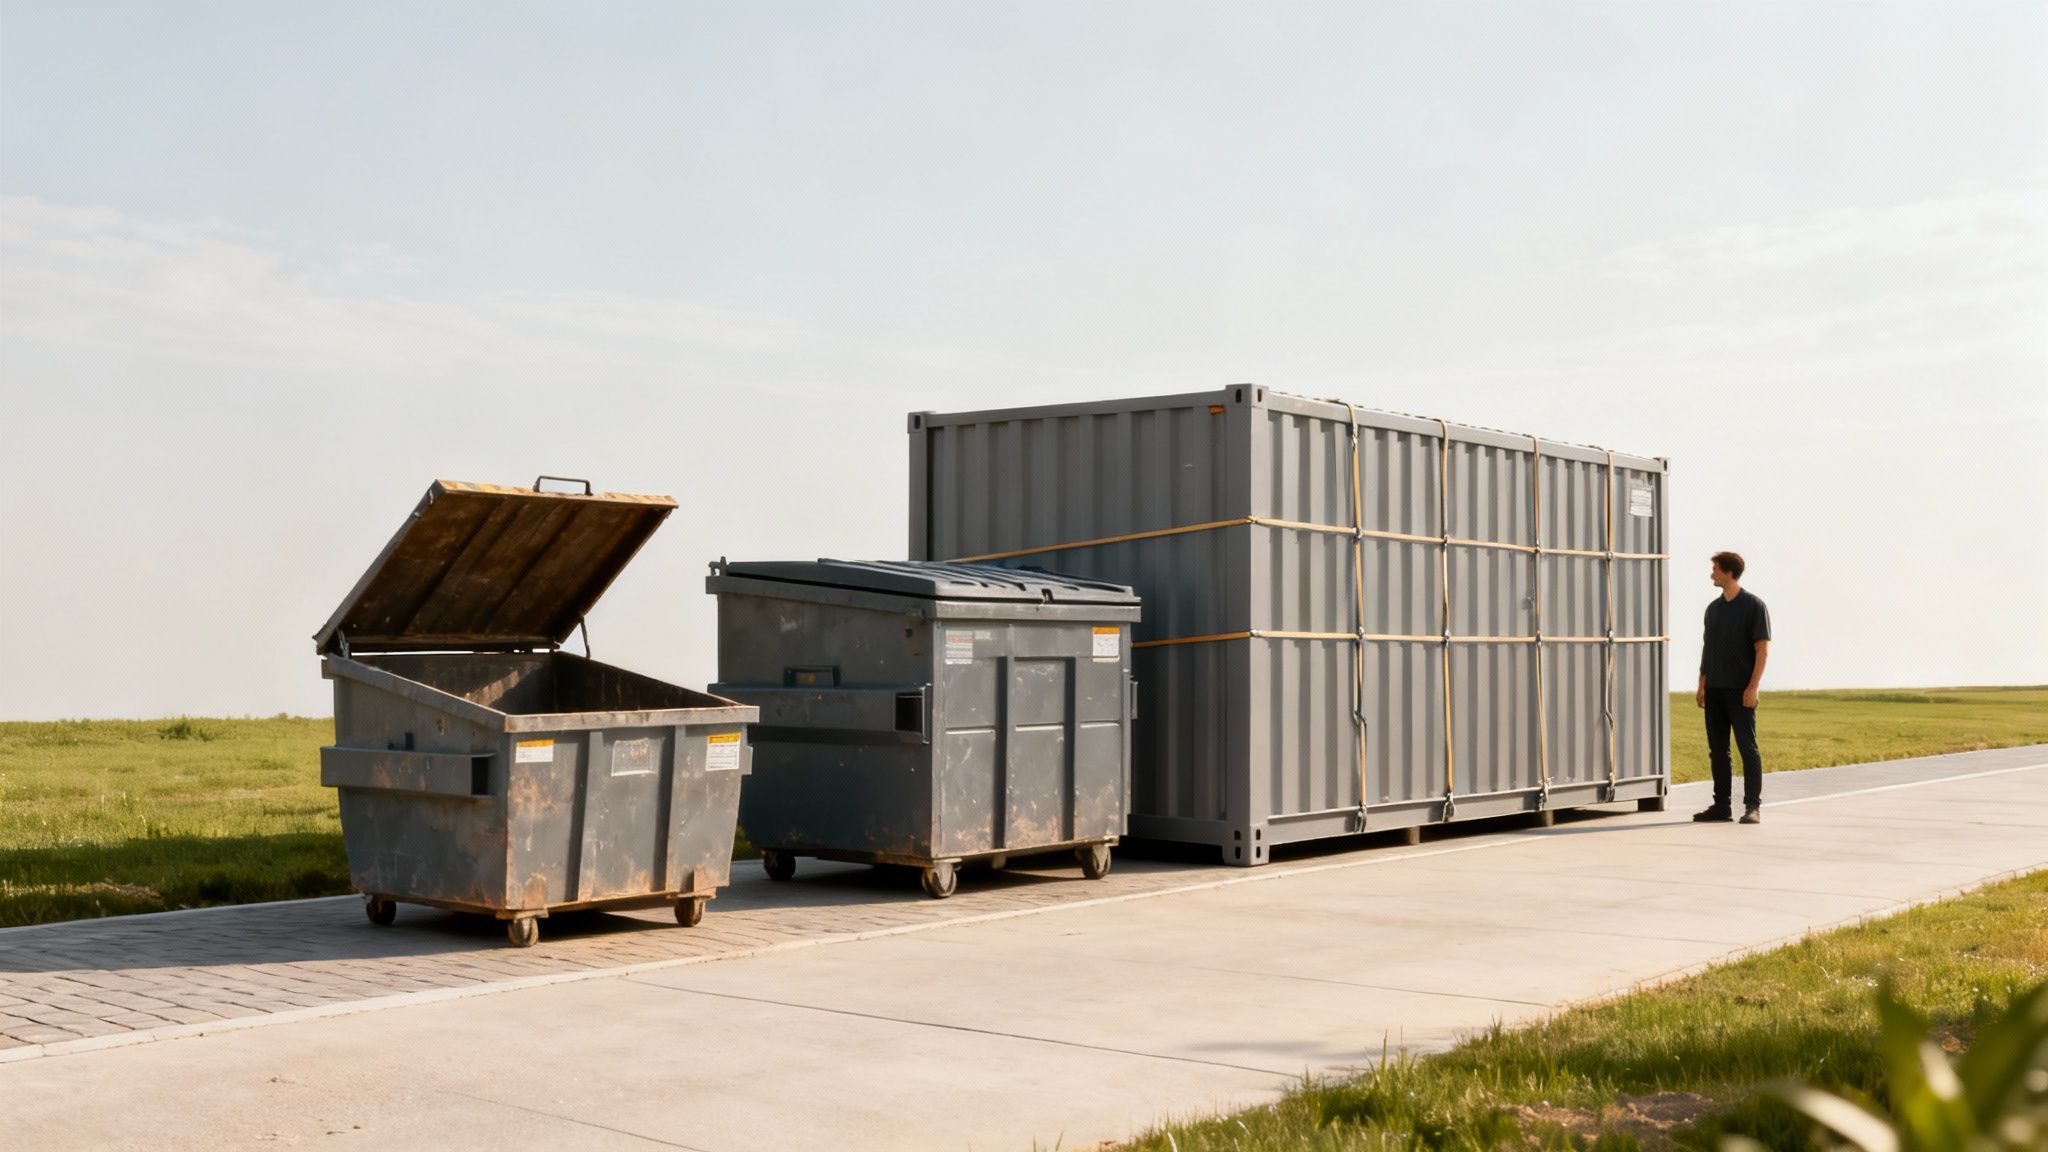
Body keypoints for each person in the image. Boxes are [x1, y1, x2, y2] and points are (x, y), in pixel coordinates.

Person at [1694, 551, 1770, 824]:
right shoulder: (1712, 610)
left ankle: (1753, 807)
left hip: (1740, 690)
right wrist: (1702, 683)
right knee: (1718, 750)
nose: (1711, 574)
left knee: (1747, 748)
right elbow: (1708, 648)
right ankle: (1721, 807)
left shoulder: (1753, 606)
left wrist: (1753, 687)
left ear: (1728, 572)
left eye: (1715, 569)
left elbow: (1762, 650)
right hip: (1714, 689)